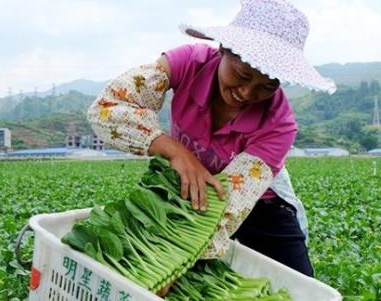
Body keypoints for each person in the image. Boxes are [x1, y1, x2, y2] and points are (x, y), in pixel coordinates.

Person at [87, 0, 336, 296]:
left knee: (298, 286)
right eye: (242, 75)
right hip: (189, 185)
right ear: (222, 49)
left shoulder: (279, 124)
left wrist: (175, 260)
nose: (247, 93)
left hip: (257, 199)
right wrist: (177, 151)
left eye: (266, 86)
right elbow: (107, 107)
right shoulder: (187, 64)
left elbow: (229, 203)